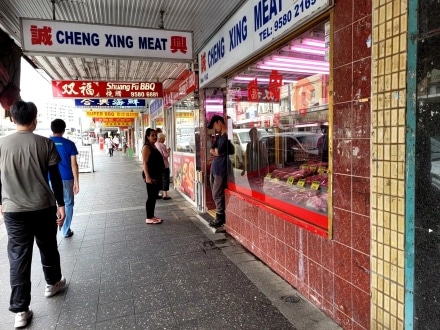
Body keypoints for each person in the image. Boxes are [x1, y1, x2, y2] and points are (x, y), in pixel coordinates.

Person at [0, 101, 66, 328]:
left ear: (12, 119)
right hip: (43, 206)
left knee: (18, 256)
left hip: (13, 210)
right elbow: (55, 177)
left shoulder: (1, 145)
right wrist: (61, 204)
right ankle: (53, 283)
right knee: (48, 246)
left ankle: (20, 310)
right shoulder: (45, 143)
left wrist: (1, 202)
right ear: (35, 120)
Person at [50, 118, 79, 238]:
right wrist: (77, 181)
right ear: (63, 129)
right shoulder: (69, 144)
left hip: (49, 179)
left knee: (51, 204)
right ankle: (65, 230)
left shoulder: (46, 142)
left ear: (52, 129)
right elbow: (74, 165)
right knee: (68, 204)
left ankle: (52, 229)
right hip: (67, 178)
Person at [207, 115, 232, 228]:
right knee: (214, 192)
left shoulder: (227, 136)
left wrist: (215, 152)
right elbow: (212, 149)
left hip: (221, 168)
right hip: (215, 167)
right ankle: (220, 215)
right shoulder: (219, 136)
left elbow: (219, 151)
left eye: (214, 125)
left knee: (217, 193)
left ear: (219, 122)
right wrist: (214, 151)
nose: (215, 128)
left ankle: (220, 216)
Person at [142, 128, 165, 224]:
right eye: (152, 135)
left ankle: (152, 215)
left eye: (155, 135)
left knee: (154, 196)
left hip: (156, 174)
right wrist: (147, 177)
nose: (155, 137)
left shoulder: (154, 146)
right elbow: (145, 163)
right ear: (147, 137)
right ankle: (148, 217)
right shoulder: (147, 147)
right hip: (151, 175)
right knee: (151, 197)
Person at [155, 132, 172, 200]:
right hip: (164, 165)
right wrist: (168, 151)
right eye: (164, 138)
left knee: (158, 179)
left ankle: (157, 193)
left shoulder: (155, 144)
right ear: (161, 139)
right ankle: (165, 194)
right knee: (165, 179)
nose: (164, 140)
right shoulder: (162, 145)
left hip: (157, 165)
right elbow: (165, 156)